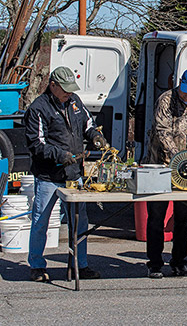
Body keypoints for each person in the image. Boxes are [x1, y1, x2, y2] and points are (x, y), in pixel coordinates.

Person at [25, 66, 107, 282]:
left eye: (71, 89)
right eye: (65, 89)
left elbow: (89, 124)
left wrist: (95, 136)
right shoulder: (38, 108)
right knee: (41, 220)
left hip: (74, 175)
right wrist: (60, 155)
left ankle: (81, 264)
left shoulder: (75, 102)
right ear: (53, 85)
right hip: (48, 176)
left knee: (80, 222)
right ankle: (36, 265)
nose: (69, 93)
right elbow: (36, 144)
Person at [145, 68, 187, 278]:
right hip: (161, 167)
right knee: (156, 217)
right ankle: (154, 263)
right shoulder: (166, 100)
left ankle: (180, 261)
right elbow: (162, 131)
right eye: (184, 90)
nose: (186, 95)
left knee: (184, 218)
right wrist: (178, 157)